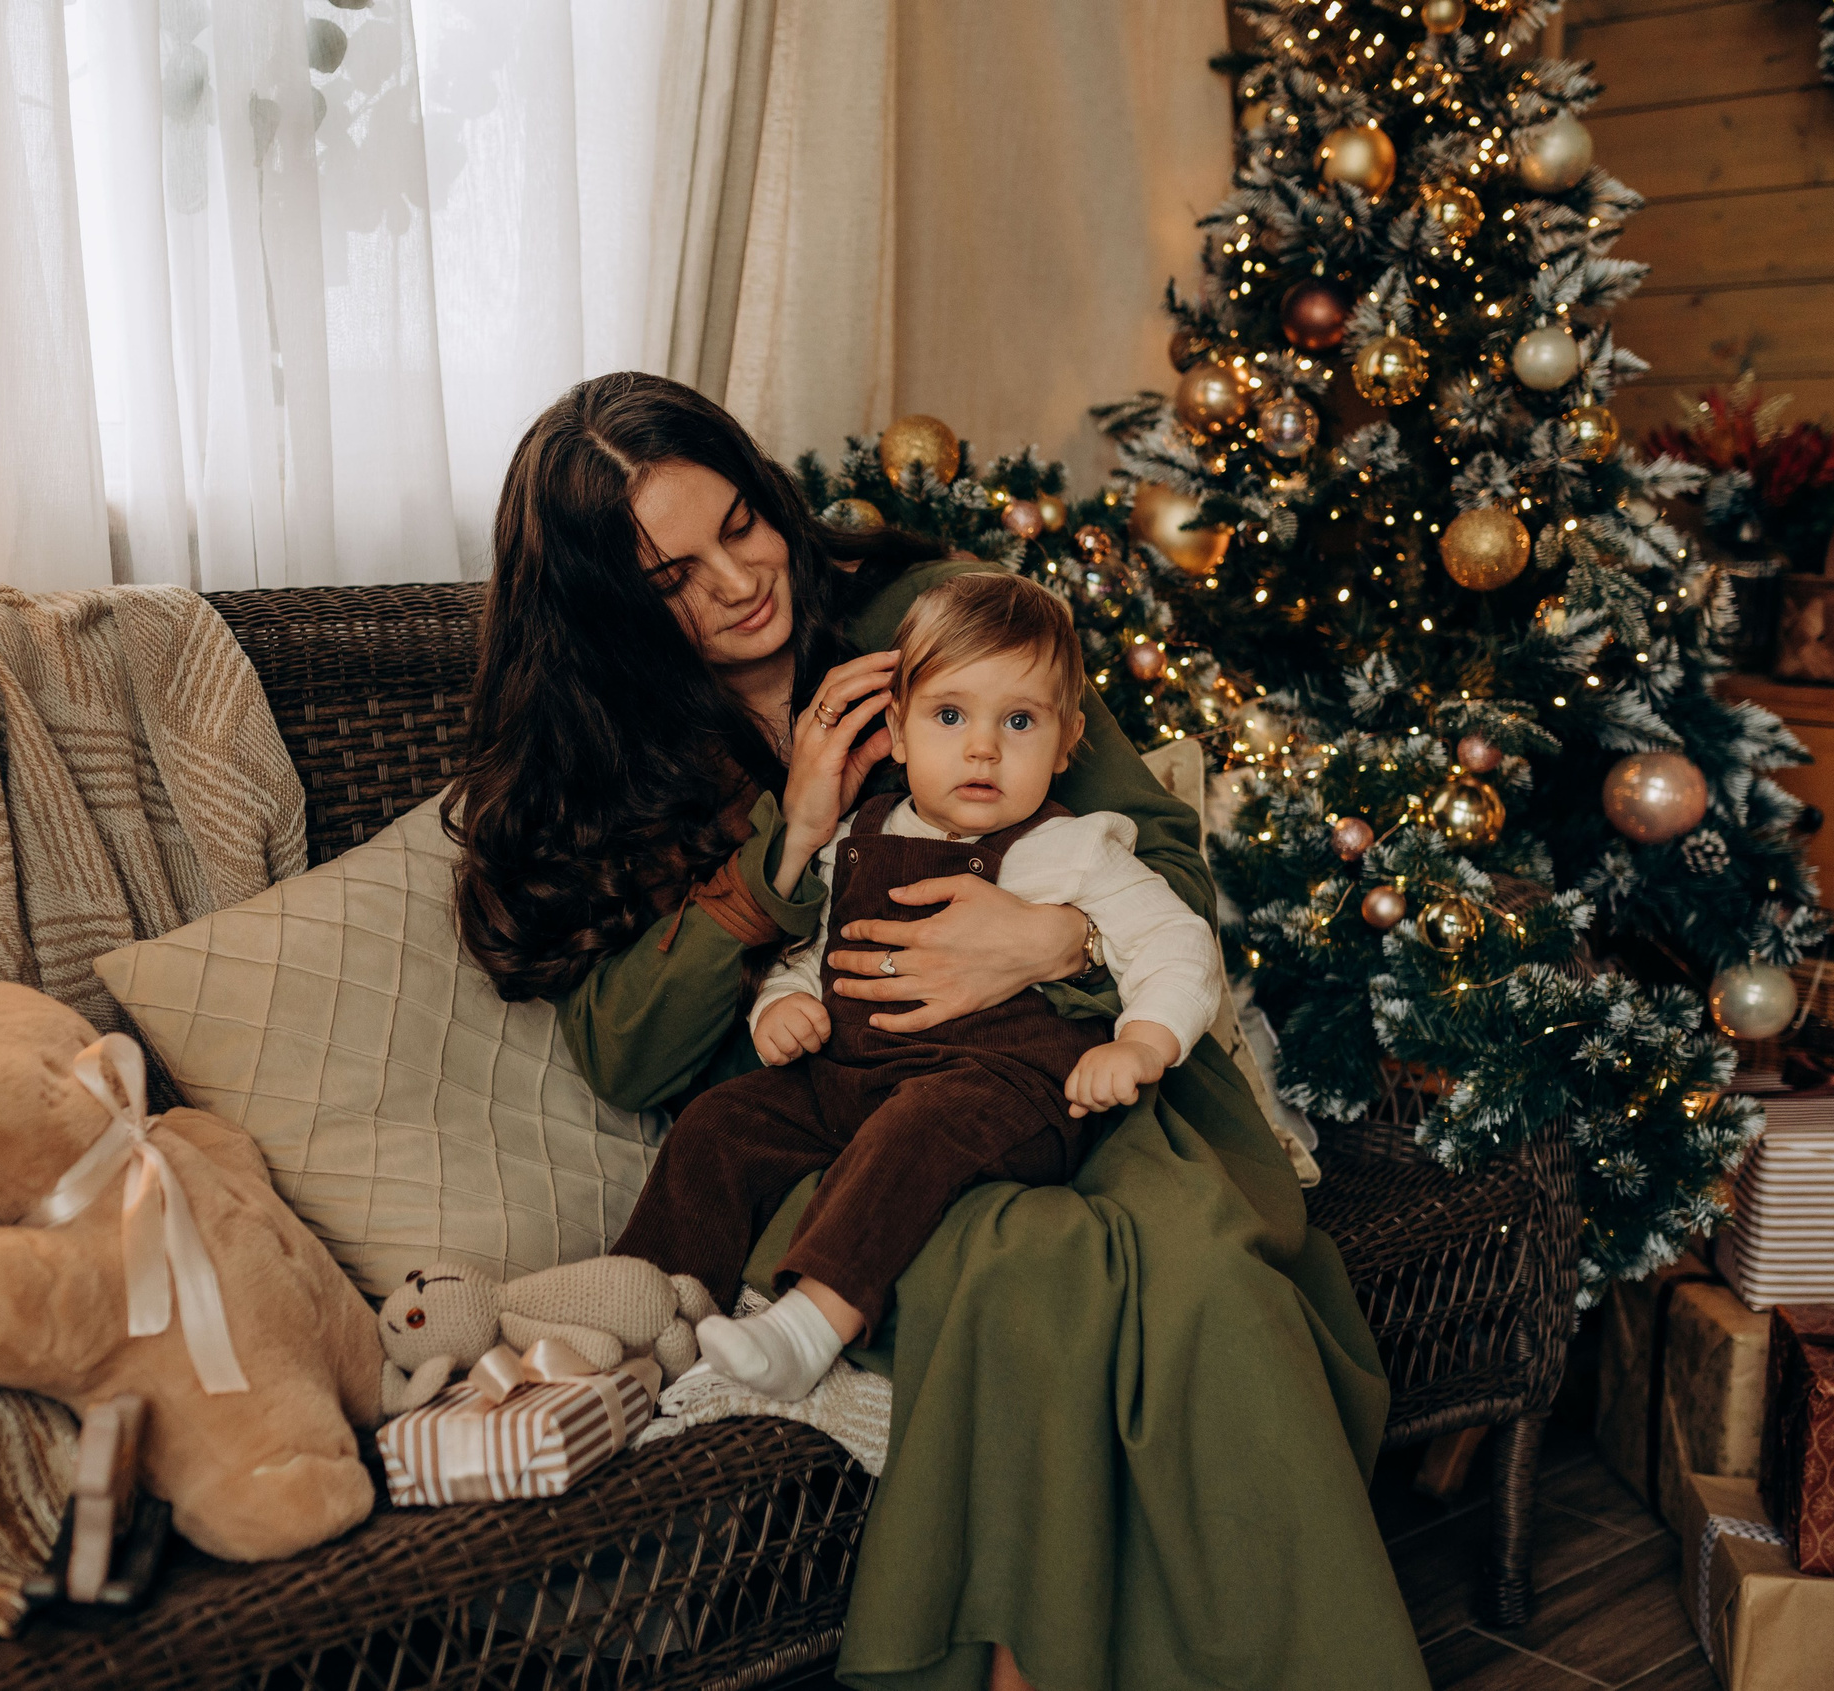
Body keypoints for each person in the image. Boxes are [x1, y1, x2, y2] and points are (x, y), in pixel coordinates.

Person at [450, 372, 1427, 1691]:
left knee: (1207, 1285)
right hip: (851, 1130)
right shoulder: (606, 751)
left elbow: (1167, 868)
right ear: (614, 612)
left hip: (1070, 1067)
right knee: (1032, 1272)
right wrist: (790, 831)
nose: (740, 581)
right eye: (674, 574)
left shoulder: (934, 620)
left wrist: (1058, 939)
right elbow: (627, 1052)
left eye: (742, 523)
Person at [613, 572, 1223, 1401]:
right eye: (949, 716)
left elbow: (1176, 939)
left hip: (998, 1093)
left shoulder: (1075, 849)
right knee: (723, 1120)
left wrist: (1143, 1039)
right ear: (896, 732)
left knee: (919, 1126)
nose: (982, 748)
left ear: (1067, 739)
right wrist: (782, 1006)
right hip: (851, 1078)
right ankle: (636, 1323)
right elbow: (820, 953)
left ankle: (810, 1322)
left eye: (1019, 721)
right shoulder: (858, 836)